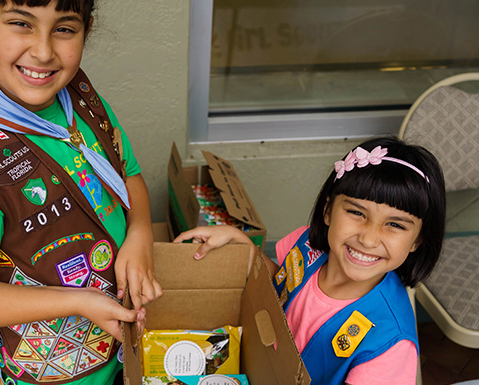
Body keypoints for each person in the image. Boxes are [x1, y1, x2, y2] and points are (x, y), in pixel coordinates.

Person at [0, 0, 162, 384]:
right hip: (56, 368)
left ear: (87, 28)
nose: (44, 52)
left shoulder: (80, 98)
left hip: (124, 349)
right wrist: (78, 302)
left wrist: (141, 232)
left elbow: (128, 174)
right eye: (21, 23)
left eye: (64, 28)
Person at [174, 136, 446, 385]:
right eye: (357, 212)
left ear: (418, 240)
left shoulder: (390, 343)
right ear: (328, 211)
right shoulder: (307, 245)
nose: (369, 238)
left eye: (395, 225)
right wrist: (241, 245)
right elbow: (279, 285)